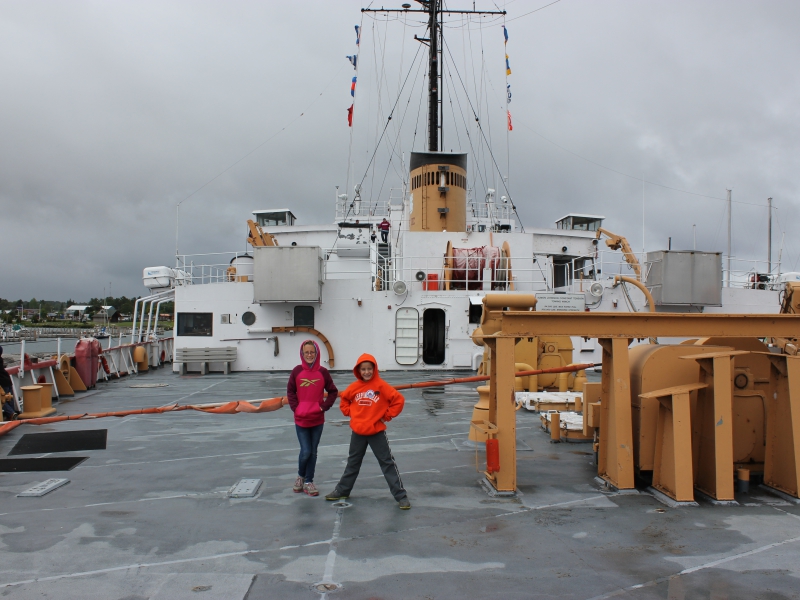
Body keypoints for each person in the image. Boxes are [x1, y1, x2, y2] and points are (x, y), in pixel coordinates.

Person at [325, 354, 410, 509]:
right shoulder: (354, 387)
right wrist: (350, 413)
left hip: (376, 432)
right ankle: (342, 490)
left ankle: (401, 496)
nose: (366, 372)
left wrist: (386, 417)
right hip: (358, 432)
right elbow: (344, 399)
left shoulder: (381, 386)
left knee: (387, 463)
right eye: (363, 369)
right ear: (358, 371)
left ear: (374, 369)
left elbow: (399, 400)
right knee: (353, 462)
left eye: (369, 369)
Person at [287, 340, 338, 496]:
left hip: (317, 420)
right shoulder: (296, 371)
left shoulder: (323, 372)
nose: (309, 355)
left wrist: (323, 407)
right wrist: (297, 408)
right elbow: (290, 392)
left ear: (317, 354)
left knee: (313, 452)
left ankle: (309, 481)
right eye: (306, 352)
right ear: (302, 354)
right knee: (306, 451)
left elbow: (333, 392)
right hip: (301, 419)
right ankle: (300, 477)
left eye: (312, 352)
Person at [0, 347, 18, 421]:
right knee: (9, 398)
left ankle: (10, 413)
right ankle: (12, 414)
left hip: (1, 382)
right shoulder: (1, 359)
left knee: (2, 400)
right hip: (7, 379)